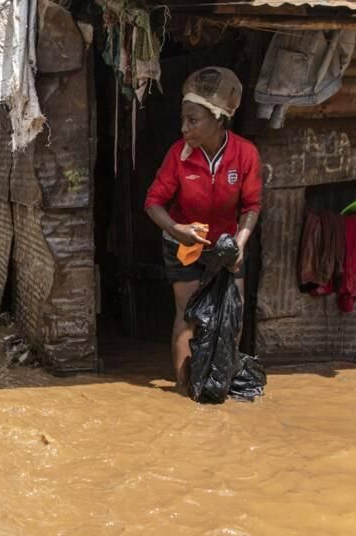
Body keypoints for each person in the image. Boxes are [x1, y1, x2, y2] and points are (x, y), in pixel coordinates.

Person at [143, 67, 263, 390]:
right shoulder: (177, 157)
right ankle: (185, 387)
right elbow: (153, 202)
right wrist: (177, 228)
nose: (184, 128)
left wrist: (239, 243)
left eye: (192, 120)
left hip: (226, 244)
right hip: (183, 244)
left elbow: (252, 207)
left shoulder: (245, 154)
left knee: (231, 311)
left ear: (217, 118)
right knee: (187, 314)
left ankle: (219, 382)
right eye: (183, 119)